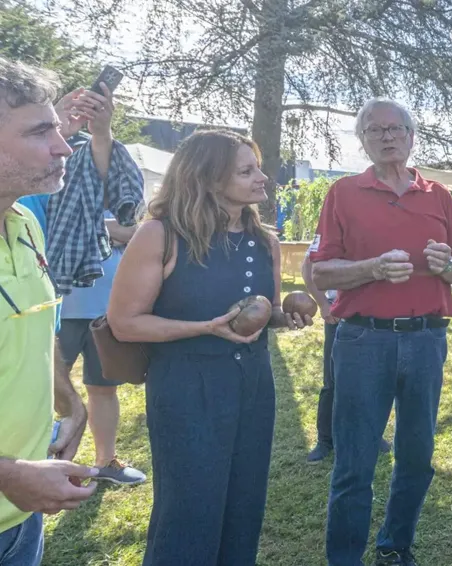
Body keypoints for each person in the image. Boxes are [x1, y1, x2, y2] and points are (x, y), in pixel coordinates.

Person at [108, 130, 312, 566]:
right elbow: (125, 323)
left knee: (243, 506)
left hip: (253, 387)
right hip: (185, 388)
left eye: (258, 166)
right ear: (208, 178)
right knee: (188, 512)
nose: (263, 178)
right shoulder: (160, 236)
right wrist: (204, 327)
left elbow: (266, 310)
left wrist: (286, 314)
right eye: (247, 170)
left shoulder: (265, 241)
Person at [310, 98, 452, 566]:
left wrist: (450, 264)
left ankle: (395, 546)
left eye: (394, 128)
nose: (385, 136)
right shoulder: (342, 192)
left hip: (427, 340)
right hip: (363, 340)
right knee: (355, 462)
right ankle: (344, 558)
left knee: (417, 457)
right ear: (361, 139)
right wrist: (372, 268)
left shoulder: (438, 194)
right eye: (374, 130)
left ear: (411, 135)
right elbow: (322, 274)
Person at [0, 56, 96, 566]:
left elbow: (35, 330)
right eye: (41, 132)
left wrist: (70, 403)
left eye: (58, 129)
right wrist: (10, 475)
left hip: (22, 516)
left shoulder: (27, 225)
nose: (62, 146)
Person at [55, 212, 146, 485]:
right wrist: (107, 230)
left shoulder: (115, 198)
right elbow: (55, 227)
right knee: (42, 391)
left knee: (104, 389)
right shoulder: (53, 192)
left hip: (106, 312)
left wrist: (87, 224)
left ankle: (106, 462)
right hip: (59, 312)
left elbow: (134, 233)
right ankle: (41, 469)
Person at [301, 251, 391, 463]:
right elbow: (308, 267)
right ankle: (325, 441)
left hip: (375, 317)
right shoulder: (338, 222)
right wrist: (323, 304)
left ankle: (373, 435)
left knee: (375, 382)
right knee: (333, 382)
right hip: (339, 315)